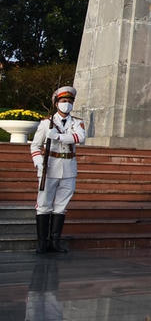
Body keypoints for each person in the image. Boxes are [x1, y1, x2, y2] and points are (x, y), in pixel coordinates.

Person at [29, 87, 87, 255]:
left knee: (61, 205)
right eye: (63, 101)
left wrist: (58, 137)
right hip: (50, 165)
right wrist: (38, 162)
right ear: (56, 103)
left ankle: (55, 241)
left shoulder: (77, 122)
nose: (66, 104)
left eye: (69, 102)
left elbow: (80, 137)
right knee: (44, 204)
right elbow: (35, 145)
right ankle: (42, 243)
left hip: (69, 166)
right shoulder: (46, 123)